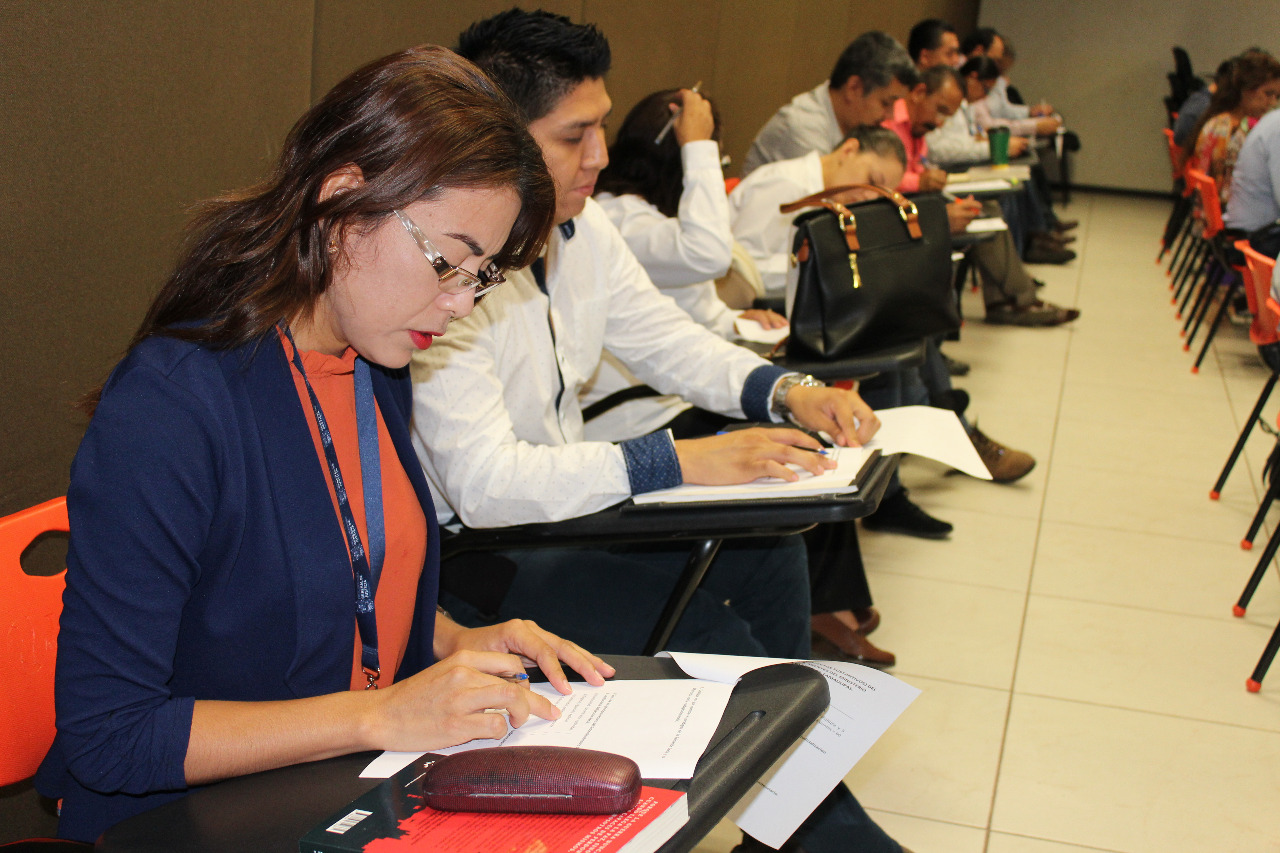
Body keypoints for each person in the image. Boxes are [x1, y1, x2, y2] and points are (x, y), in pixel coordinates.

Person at [34, 46, 617, 843]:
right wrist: (381, 714)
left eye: (480, 277)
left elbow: (338, 577)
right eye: (448, 260)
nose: (458, 303)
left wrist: (454, 637)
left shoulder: (376, 355)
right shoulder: (173, 404)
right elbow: (111, 736)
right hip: (192, 822)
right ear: (344, 197)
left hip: (351, 788)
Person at [416, 11, 906, 853]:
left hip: (568, 511)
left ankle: (785, 811)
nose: (602, 155)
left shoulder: (580, 228)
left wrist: (785, 391)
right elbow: (484, 485)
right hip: (476, 558)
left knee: (772, 543)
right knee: (720, 648)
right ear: (494, 138)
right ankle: (821, 824)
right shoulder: (450, 271)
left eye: (600, 127)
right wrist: (674, 458)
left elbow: (666, 340)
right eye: (577, 135)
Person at [588, 87, 786, 440]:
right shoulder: (617, 218)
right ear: (682, 165)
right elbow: (709, 254)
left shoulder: (649, 216)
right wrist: (699, 146)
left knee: (787, 413)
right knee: (780, 433)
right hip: (637, 413)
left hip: (672, 395)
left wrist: (733, 322)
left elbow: (683, 312)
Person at [742, 31, 918, 177]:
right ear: (854, 88)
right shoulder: (803, 128)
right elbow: (827, 205)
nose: (891, 116)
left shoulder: (854, 127)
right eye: (886, 103)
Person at [1189, 50, 1280, 207]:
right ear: (1246, 89)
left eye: (1277, 97)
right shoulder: (1235, 133)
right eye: (1268, 94)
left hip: (1214, 216)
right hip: (1236, 218)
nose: (1272, 103)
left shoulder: (1218, 121)